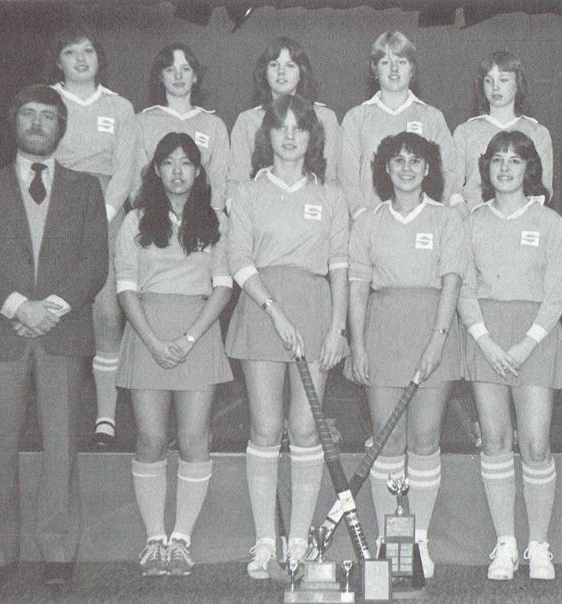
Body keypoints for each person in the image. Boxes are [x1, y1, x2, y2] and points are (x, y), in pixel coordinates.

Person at [0, 85, 108, 588]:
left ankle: (58, 551)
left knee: (61, 448)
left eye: (48, 115)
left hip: (61, 332)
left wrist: (52, 309)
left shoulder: (86, 189)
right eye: (29, 114)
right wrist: (19, 306)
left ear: (61, 127)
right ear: (14, 121)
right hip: (2, 330)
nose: (38, 123)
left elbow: (95, 261)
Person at [225, 94, 349, 578]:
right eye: (282, 127)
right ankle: (264, 542)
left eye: (300, 127)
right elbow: (239, 260)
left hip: (315, 309)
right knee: (264, 427)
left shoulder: (330, 196)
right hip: (263, 310)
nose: (291, 136)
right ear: (269, 135)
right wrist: (274, 312)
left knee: (305, 428)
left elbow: (340, 265)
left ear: (312, 136)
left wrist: (337, 327)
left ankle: (299, 541)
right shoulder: (249, 193)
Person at [346, 131, 466, 579]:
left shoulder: (446, 219)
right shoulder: (368, 221)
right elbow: (358, 287)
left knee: (425, 438)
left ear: (428, 169)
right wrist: (358, 344)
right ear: (386, 169)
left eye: (415, 161)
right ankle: (390, 537)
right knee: (387, 439)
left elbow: (452, 283)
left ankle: (418, 539)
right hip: (382, 331)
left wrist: (437, 340)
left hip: (431, 329)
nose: (407, 169)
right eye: (398, 161)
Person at [114, 132, 233, 577]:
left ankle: (181, 539)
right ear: (157, 170)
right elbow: (126, 288)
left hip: (197, 334)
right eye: (168, 163)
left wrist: (188, 338)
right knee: (149, 438)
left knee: (194, 438)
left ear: (198, 172)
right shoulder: (135, 221)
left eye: (186, 163)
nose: (177, 171)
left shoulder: (215, 221)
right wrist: (151, 340)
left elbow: (223, 287)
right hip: (146, 333)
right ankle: (154, 539)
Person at [458, 131, 562, 581]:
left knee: (536, 444)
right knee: (495, 439)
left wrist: (527, 343)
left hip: (535, 338)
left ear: (529, 169)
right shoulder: (472, 221)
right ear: (486, 169)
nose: (505, 168)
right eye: (497, 160)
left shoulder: (549, 222)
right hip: (486, 337)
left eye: (514, 161)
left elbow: (558, 291)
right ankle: (505, 543)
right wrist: (485, 341)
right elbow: (464, 287)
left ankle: (538, 544)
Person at [46, 24, 136, 447]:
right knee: (55, 308)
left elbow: (126, 170)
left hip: (106, 212)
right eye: (71, 51)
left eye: (88, 51)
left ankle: (105, 418)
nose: (80, 59)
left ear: (100, 58)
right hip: (55, 212)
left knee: (106, 312)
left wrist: (102, 216)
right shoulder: (46, 101)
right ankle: (56, 415)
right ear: (59, 60)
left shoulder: (120, 107)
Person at [339, 30, 463, 220]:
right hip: (371, 222)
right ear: (374, 69)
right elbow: (346, 176)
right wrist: (360, 214)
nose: (394, 69)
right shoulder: (356, 118)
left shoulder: (432, 117)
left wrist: (436, 212)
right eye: (385, 62)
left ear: (412, 69)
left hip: (423, 222)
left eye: (402, 62)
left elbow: (449, 171)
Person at [228, 37, 341, 198]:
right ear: (264, 72)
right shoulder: (247, 121)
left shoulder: (325, 118)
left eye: (290, 65)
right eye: (274, 65)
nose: (281, 71)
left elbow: (331, 180)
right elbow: (237, 182)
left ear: (301, 73)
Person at [133, 44, 229, 211]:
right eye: (170, 70)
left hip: (201, 217)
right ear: (160, 77)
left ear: (195, 76)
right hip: (155, 216)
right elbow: (137, 183)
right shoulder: (141, 122)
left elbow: (219, 183)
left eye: (185, 69)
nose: (178, 76)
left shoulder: (214, 125)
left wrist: (211, 218)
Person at [453, 51, 553, 210]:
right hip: (474, 218)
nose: (495, 87)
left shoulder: (537, 132)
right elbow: (453, 188)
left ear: (518, 83)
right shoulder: (465, 131)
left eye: (503, 79)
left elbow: (544, 189)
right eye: (488, 81)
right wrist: (466, 218)